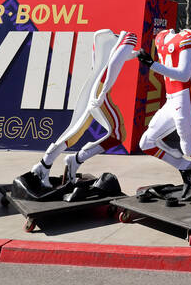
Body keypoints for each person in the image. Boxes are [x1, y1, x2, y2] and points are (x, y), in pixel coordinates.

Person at [30, 29, 138, 189]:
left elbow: (114, 54)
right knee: (118, 134)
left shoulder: (106, 37)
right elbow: (115, 63)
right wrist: (102, 94)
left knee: (74, 131)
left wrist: (136, 54)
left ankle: (44, 165)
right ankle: (77, 159)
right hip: (100, 91)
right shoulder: (130, 37)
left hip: (91, 87)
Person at [135, 23, 191, 202]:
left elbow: (184, 75)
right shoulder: (161, 37)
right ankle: (186, 167)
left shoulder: (189, 36)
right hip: (171, 99)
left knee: (190, 146)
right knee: (146, 142)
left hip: (184, 97)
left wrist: (152, 65)